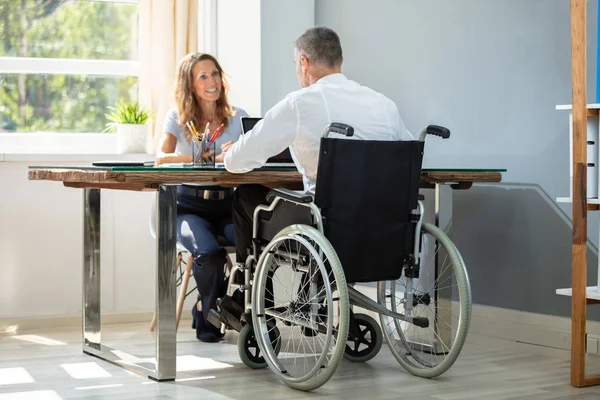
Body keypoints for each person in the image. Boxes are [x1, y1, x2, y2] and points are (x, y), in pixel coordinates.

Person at [223, 26, 414, 265]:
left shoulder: (299, 104)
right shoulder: (384, 105)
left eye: (295, 63)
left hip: (325, 229)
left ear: (304, 62)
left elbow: (235, 162)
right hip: (383, 226)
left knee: (246, 195)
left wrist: (230, 151)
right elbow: (409, 158)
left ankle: (245, 297)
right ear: (340, 61)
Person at [155, 53, 248, 342]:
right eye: (203, 76)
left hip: (227, 204)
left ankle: (224, 309)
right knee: (208, 252)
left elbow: (253, 159)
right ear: (190, 85)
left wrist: (240, 150)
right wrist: (206, 156)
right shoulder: (178, 118)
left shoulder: (239, 117)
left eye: (215, 74)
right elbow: (161, 158)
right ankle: (208, 315)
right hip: (188, 205)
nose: (212, 82)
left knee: (256, 247)